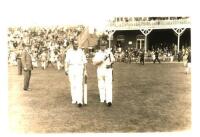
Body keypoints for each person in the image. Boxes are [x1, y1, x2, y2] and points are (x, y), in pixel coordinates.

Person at [65, 38, 87, 107]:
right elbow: (66, 61)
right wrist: (66, 69)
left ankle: (79, 101)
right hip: (71, 68)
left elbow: (84, 62)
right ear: (72, 44)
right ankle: (74, 99)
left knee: (79, 84)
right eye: (75, 44)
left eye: (77, 44)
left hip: (79, 68)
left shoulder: (81, 51)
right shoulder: (69, 51)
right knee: (73, 84)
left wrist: (85, 71)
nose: (77, 45)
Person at [92, 39, 115, 107]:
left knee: (108, 85)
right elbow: (94, 63)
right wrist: (102, 60)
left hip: (108, 70)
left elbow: (113, 60)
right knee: (101, 85)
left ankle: (109, 100)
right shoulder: (97, 54)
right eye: (102, 45)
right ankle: (102, 98)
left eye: (104, 45)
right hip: (100, 70)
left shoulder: (109, 53)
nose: (103, 47)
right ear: (100, 46)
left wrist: (110, 63)